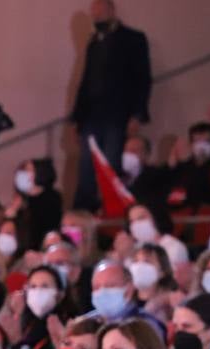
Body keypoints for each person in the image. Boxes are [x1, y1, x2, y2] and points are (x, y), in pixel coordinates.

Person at [70, 0, 151, 211]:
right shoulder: (94, 43)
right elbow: (86, 82)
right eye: (93, 15)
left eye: (100, 13)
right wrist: (77, 119)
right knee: (87, 168)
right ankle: (84, 213)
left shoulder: (133, 39)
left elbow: (143, 78)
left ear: (111, 11)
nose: (96, 18)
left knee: (113, 165)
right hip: (92, 117)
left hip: (117, 116)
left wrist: (137, 114)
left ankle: (113, 212)